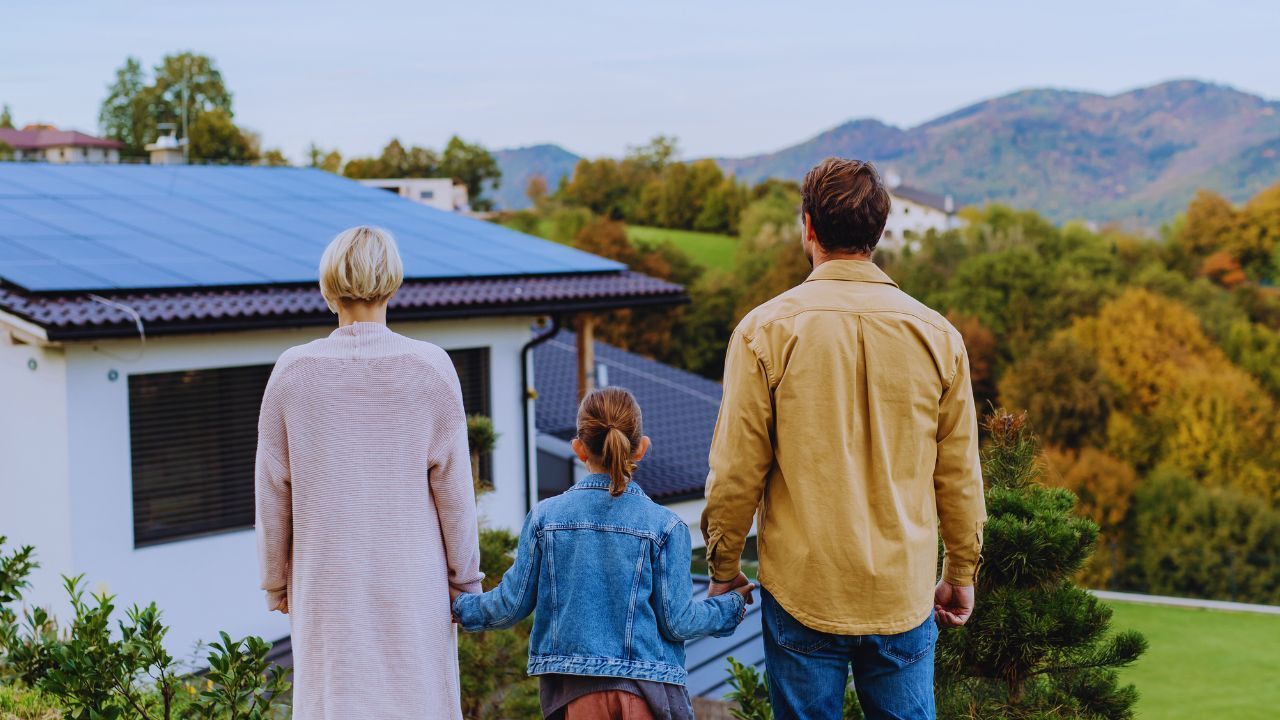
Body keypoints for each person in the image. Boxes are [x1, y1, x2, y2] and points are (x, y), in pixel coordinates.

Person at [700, 158, 987, 720]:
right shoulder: (939, 338)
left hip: (805, 588)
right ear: (878, 234)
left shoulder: (765, 332)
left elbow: (736, 471)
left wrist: (723, 568)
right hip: (901, 592)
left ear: (808, 226)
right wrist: (960, 573)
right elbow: (959, 474)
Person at [255, 226, 483, 720]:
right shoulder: (431, 368)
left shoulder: (292, 372)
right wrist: (465, 583)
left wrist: (276, 581)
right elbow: (455, 493)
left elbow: (273, 488)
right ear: (393, 282)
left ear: (328, 285)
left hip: (324, 582)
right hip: (413, 582)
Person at [452, 386, 754, 720]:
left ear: (579, 449)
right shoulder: (666, 527)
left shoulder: (545, 519)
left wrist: (458, 605)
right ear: (641, 448)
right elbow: (678, 622)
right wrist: (730, 606)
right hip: (647, 692)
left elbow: (509, 606)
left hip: (576, 695)